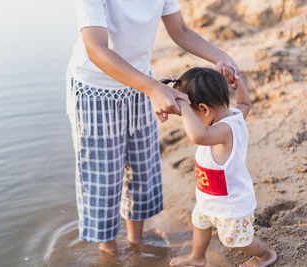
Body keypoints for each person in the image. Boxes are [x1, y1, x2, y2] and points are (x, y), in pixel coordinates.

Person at [66, 0, 239, 253]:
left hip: (141, 83)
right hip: (96, 90)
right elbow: (96, 49)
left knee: (142, 166)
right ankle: (109, 250)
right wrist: (154, 88)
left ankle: (136, 241)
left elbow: (179, 30)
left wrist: (220, 56)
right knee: (103, 177)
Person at [165, 67, 277, 267]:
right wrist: (239, 82)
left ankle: (266, 255)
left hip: (230, 205)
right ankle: (197, 257)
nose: (187, 120)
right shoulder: (235, 113)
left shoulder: (223, 130)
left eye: (188, 116)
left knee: (237, 240)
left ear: (205, 109)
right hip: (209, 198)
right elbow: (244, 103)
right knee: (200, 224)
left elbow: (197, 136)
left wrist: (182, 105)